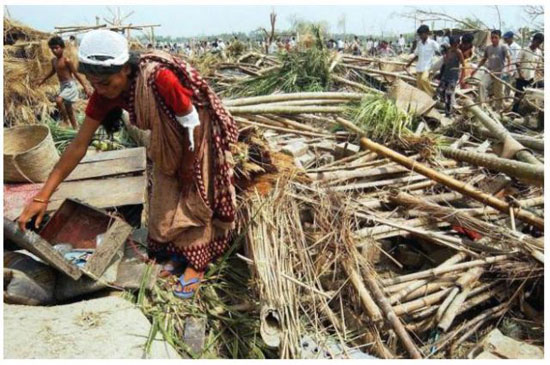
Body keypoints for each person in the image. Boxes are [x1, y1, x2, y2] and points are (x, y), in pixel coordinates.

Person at [18, 30, 239, 300]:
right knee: (164, 199)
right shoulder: (103, 93)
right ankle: (177, 254)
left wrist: (189, 163)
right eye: (94, 82)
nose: (101, 89)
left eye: (107, 82)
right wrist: (42, 196)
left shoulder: (159, 78)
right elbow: (78, 145)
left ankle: (197, 264)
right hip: (166, 138)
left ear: (125, 69)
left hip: (195, 133)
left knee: (193, 196)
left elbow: (190, 121)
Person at [38, 36, 92, 129]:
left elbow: (76, 74)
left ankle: (65, 120)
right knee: (69, 109)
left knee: (58, 100)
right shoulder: (54, 61)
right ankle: (75, 128)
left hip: (70, 85)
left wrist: (85, 86)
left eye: (57, 48)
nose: (54, 50)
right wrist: (43, 79)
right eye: (52, 48)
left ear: (62, 48)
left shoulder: (67, 61)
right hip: (63, 86)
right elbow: (53, 71)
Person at [471, 30, 511, 111]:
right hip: (489, 72)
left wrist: (508, 69)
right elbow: (484, 59)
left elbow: (509, 58)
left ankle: (498, 110)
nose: (493, 39)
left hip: (499, 74)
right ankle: (482, 104)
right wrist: (476, 69)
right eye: (492, 37)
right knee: (481, 84)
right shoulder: (488, 48)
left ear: (499, 38)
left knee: (498, 93)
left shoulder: (503, 47)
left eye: (495, 38)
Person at [512, 33, 544, 113]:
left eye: (539, 43)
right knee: (518, 95)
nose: (537, 44)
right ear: (533, 40)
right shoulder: (524, 50)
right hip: (521, 77)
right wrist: (520, 73)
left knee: (529, 97)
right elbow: (517, 63)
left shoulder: (539, 53)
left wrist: (539, 73)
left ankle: (524, 112)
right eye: (536, 42)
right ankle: (514, 112)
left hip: (531, 78)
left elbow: (538, 65)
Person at [405, 25, 440, 96]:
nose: (420, 36)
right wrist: (409, 63)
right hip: (419, 67)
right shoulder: (419, 44)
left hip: (428, 67)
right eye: (419, 34)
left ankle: (433, 94)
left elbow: (441, 49)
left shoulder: (432, 43)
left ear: (427, 33)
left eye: (422, 34)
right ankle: (425, 99)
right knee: (419, 87)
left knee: (424, 79)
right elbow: (416, 55)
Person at [437, 36, 465, 117]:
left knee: (448, 94)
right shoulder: (448, 51)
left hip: (453, 77)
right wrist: (444, 55)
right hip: (445, 75)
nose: (456, 46)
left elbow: (463, 65)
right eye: (454, 45)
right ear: (451, 44)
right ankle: (448, 106)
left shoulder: (458, 52)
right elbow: (445, 63)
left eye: (457, 44)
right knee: (440, 91)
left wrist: (462, 78)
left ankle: (448, 113)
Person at [502, 31, 521, 97]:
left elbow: (516, 59)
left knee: (508, 84)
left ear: (511, 38)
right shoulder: (504, 46)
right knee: (501, 83)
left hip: (512, 68)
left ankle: (506, 97)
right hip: (503, 67)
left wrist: (511, 69)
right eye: (505, 39)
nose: (505, 40)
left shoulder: (517, 47)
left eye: (506, 38)